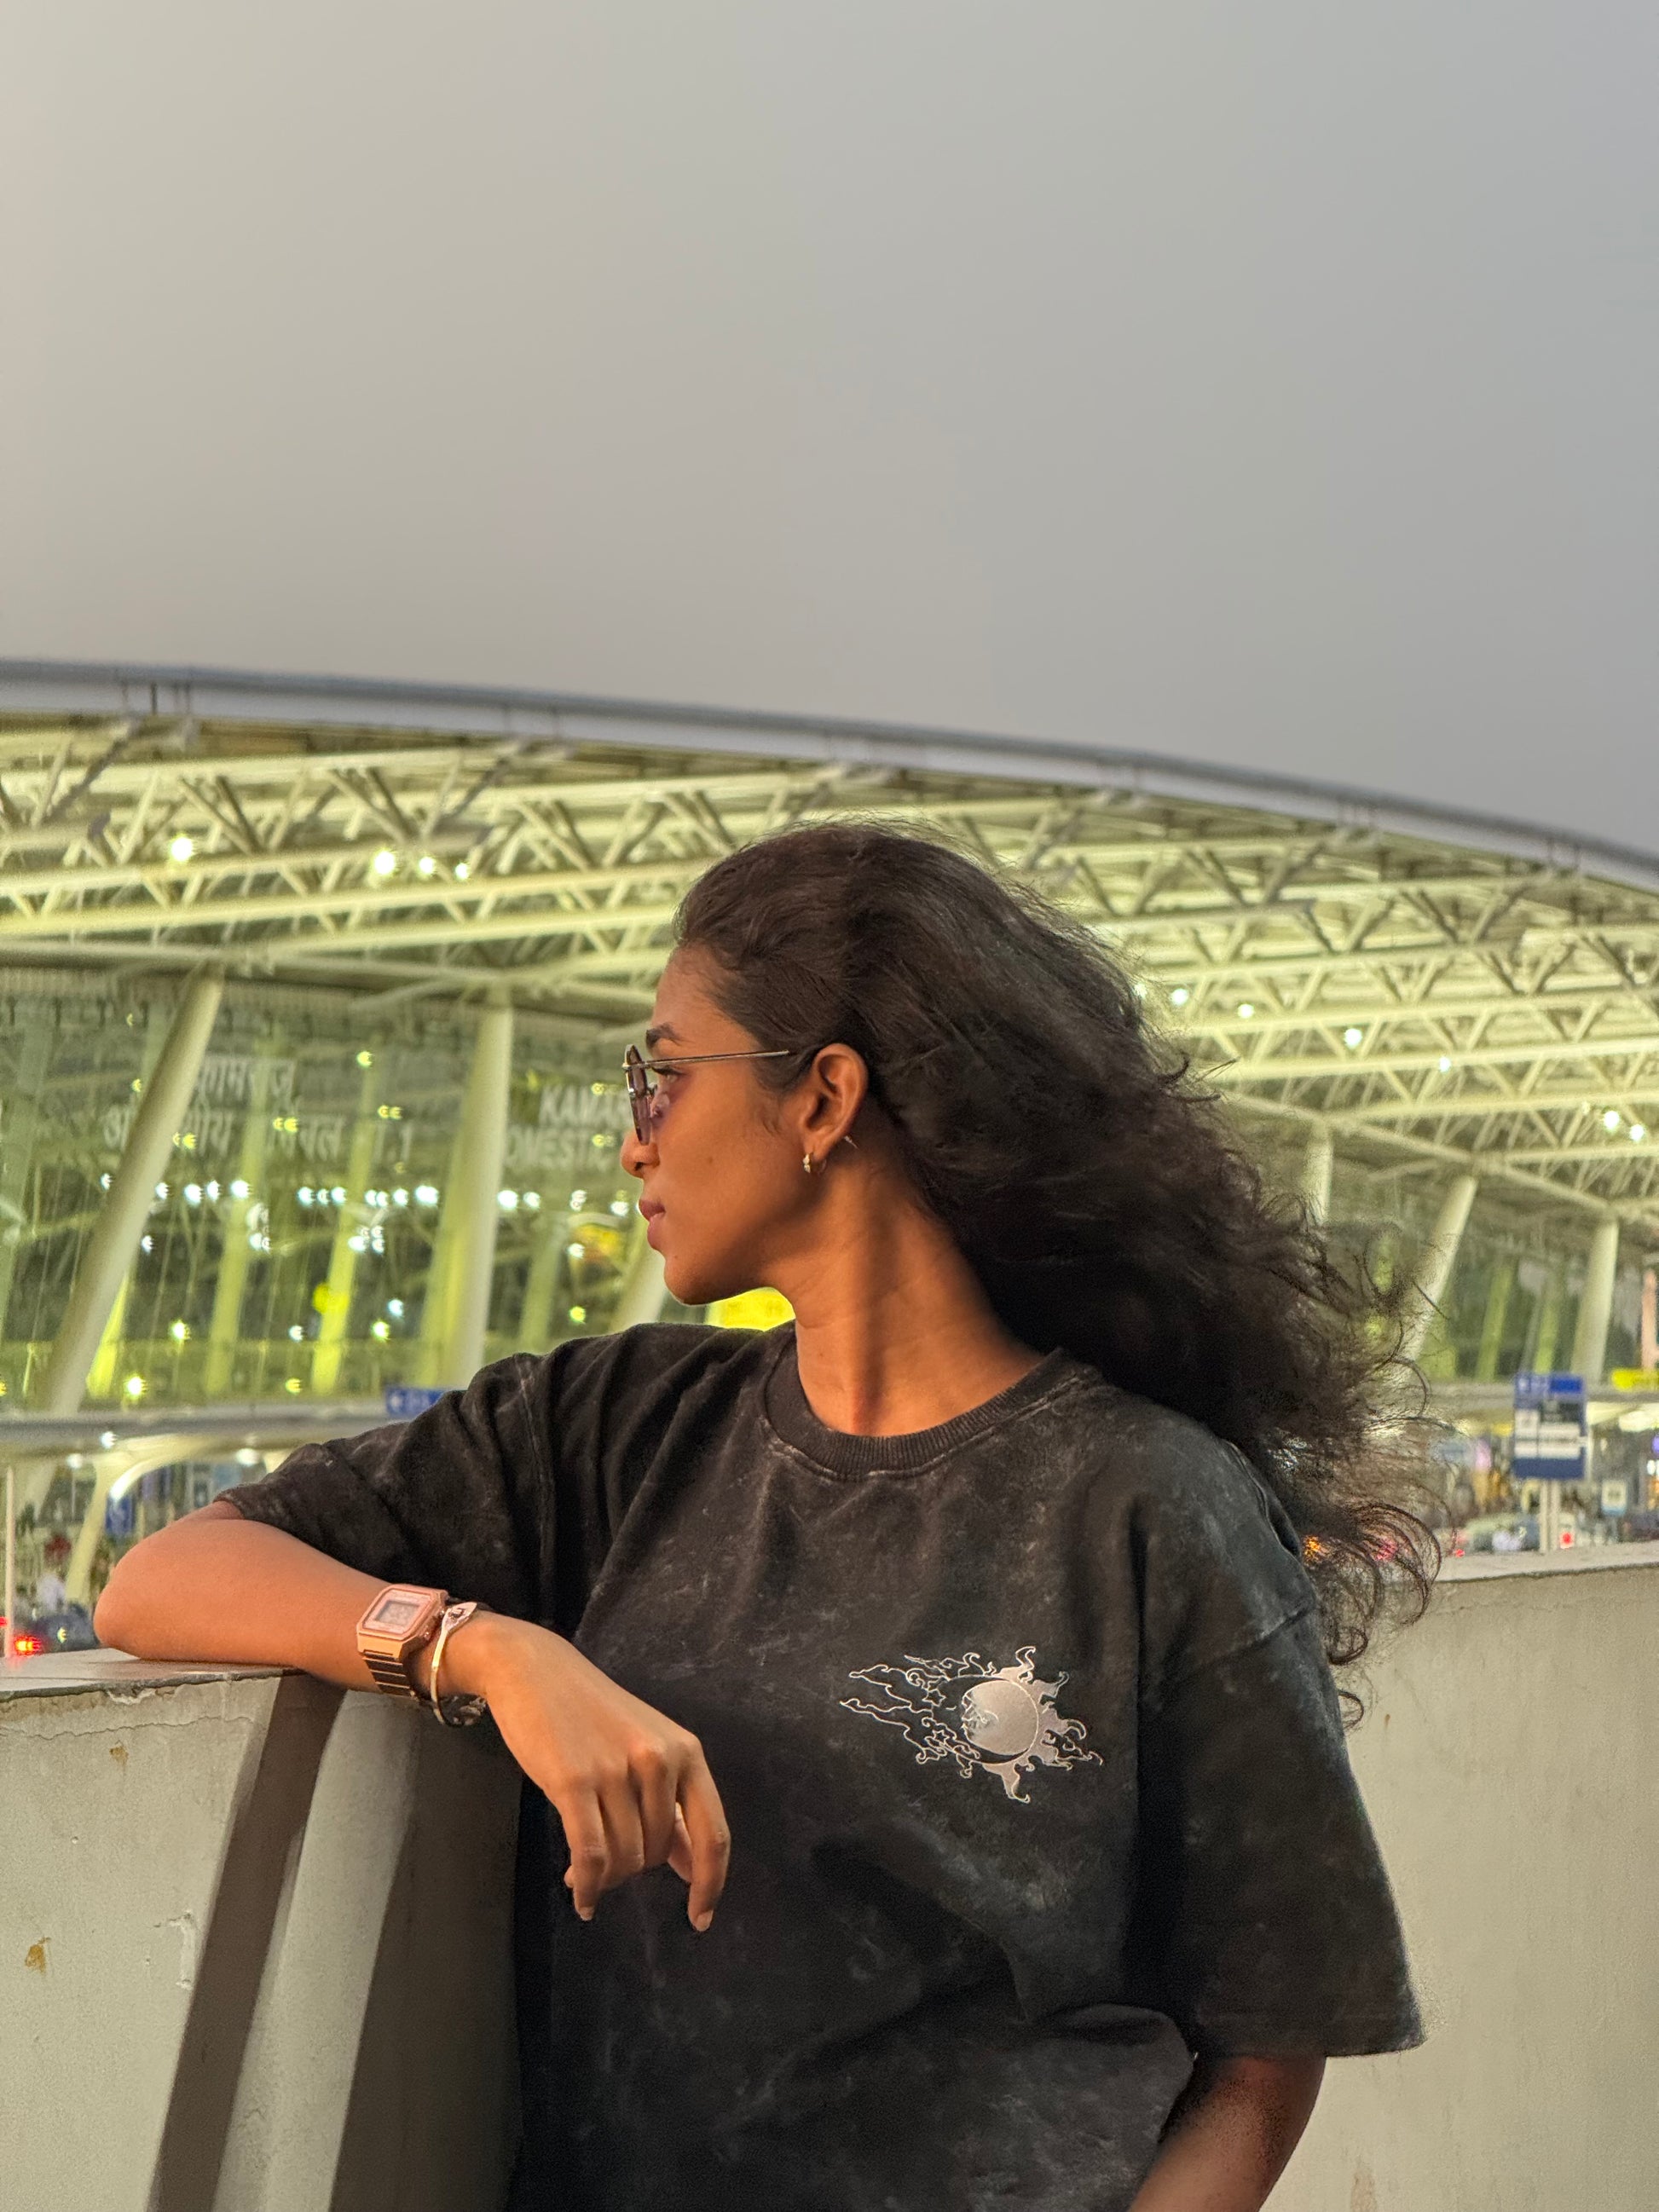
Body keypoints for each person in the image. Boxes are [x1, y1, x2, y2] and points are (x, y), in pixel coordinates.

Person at [98, 824, 1433, 2212]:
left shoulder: (1150, 1506)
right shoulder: (611, 1431)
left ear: (822, 1099)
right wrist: (485, 1651)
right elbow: (165, 1576)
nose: (632, 1143)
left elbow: (1269, 2052)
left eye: (661, 1075)